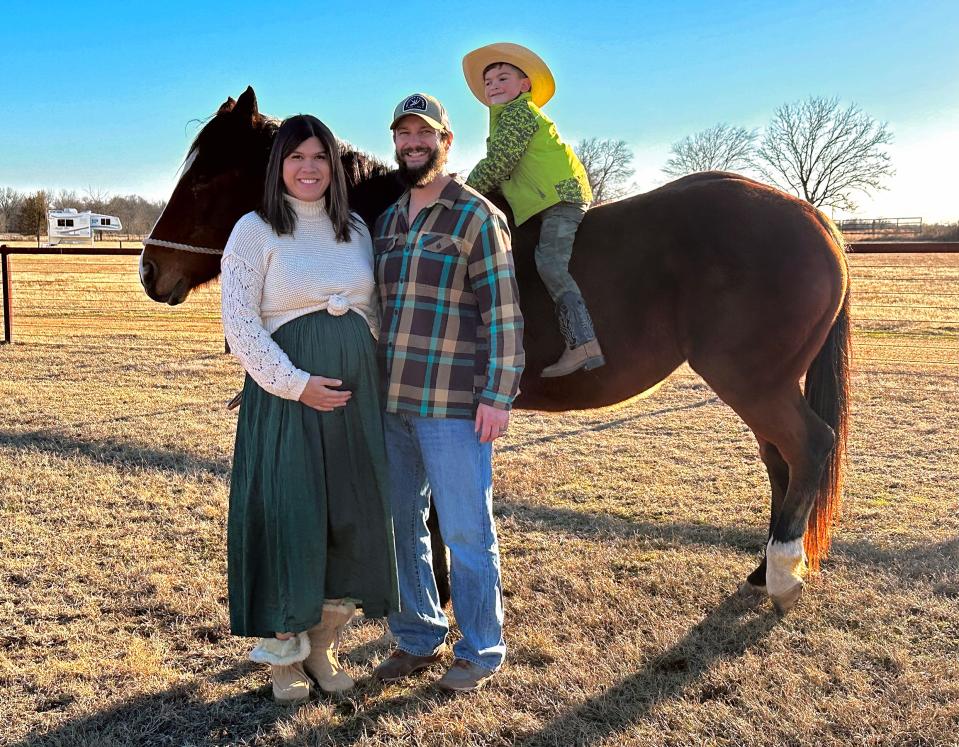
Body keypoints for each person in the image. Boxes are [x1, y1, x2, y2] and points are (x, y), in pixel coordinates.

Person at [220, 114, 398, 704]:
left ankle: (322, 648)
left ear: (334, 165)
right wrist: (297, 384)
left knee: (344, 515)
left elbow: (372, 313)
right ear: (279, 165)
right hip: (288, 401)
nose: (308, 167)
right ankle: (284, 659)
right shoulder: (254, 230)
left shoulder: (353, 228)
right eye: (296, 156)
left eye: (320, 156)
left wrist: (367, 378)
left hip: (353, 402)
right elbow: (241, 325)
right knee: (291, 515)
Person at [371, 93, 524, 691]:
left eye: (423, 134)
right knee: (400, 525)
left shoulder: (476, 216)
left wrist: (498, 394)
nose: (413, 143)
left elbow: (504, 312)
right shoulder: (387, 221)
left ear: (446, 141)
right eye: (403, 134)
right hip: (392, 403)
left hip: (454, 407)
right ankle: (417, 636)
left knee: (465, 530)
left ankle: (482, 649)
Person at [463, 42, 603, 378]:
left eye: (503, 78)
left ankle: (583, 342)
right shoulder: (504, 120)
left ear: (525, 85)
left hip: (559, 197)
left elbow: (499, 163)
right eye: (488, 82)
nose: (493, 85)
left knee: (550, 263)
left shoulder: (518, 114)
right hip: (542, 200)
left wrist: (461, 193)